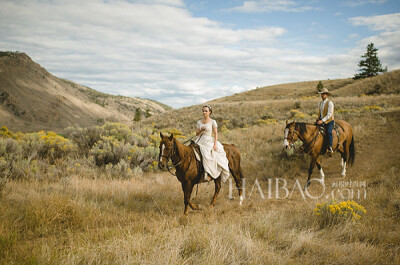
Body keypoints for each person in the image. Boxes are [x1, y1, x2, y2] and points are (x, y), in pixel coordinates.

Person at [195, 105, 230, 182]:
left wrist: (215, 144)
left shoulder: (212, 122)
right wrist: (201, 130)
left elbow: (215, 134)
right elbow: (196, 134)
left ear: (210, 112)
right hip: (199, 140)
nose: (204, 112)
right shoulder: (199, 122)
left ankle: (208, 173)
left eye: (206, 111)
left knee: (206, 152)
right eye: (203, 111)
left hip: (208, 140)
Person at [317, 88, 335, 155]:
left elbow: (329, 114)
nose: (322, 95)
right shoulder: (321, 103)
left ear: (327, 95)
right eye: (321, 94)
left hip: (329, 121)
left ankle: (330, 147)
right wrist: (318, 119)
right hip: (321, 120)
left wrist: (322, 121)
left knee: (328, 132)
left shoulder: (330, 103)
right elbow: (320, 112)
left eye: (323, 94)